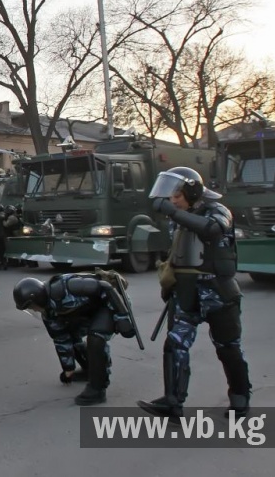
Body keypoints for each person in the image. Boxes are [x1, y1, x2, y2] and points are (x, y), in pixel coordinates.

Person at [138, 167, 252, 420]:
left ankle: (240, 399)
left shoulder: (218, 210)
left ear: (192, 191)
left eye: (177, 195)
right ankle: (172, 402)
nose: (173, 201)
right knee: (175, 343)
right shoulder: (177, 217)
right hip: (186, 292)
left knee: (228, 348)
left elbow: (211, 230)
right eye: (170, 197)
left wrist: (173, 212)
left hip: (218, 292)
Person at [14, 274, 136, 405]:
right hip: (89, 312)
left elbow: (105, 287)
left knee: (96, 337)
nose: (34, 309)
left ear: (37, 297)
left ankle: (97, 388)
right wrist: (68, 369)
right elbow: (61, 339)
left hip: (111, 303)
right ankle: (89, 368)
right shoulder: (48, 313)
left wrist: (123, 317)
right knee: (71, 335)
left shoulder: (65, 287)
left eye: (31, 306)